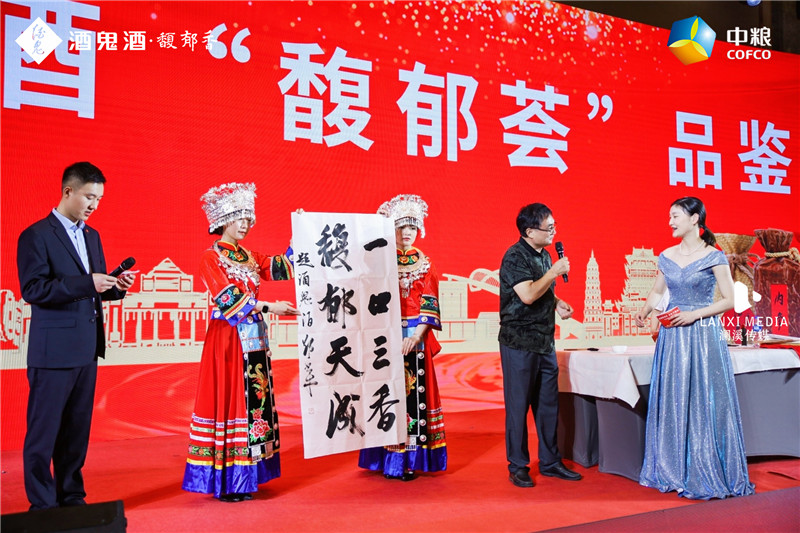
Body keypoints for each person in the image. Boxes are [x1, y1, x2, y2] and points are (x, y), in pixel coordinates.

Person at [17, 162, 135, 510]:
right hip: (53, 353)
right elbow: (34, 289)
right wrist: (88, 283)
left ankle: (71, 496)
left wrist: (115, 287)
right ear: (68, 191)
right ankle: (42, 505)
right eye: (89, 197)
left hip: (86, 349)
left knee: (76, 432)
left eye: (99, 199)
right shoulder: (36, 235)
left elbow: (92, 290)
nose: (94, 205)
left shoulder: (91, 236)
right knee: (43, 434)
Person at [182, 182, 299, 502]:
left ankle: (248, 474)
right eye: (239, 218)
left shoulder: (249, 256)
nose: (246, 224)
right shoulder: (211, 258)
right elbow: (228, 298)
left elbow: (280, 268)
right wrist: (269, 307)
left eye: (249, 218)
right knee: (232, 399)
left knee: (253, 400)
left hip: (253, 336)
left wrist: (299, 238)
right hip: (228, 337)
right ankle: (228, 479)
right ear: (223, 220)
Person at [635, 197, 755, 499]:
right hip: (672, 337)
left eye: (675, 216)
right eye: (670, 216)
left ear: (694, 219)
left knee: (705, 397)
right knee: (673, 397)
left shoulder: (714, 256)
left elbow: (730, 300)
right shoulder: (666, 255)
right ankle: (672, 467)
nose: (670, 222)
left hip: (702, 336)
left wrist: (694, 315)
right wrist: (645, 310)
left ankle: (703, 466)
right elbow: (658, 291)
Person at [358, 194, 447, 480]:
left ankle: (408, 459)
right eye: (401, 227)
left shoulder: (425, 263)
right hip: (384, 339)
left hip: (415, 338)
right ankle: (385, 457)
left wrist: (417, 336)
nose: (407, 232)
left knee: (413, 396)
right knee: (386, 396)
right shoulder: (378, 260)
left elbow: (430, 302)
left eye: (412, 227)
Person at [498, 203, 582, 488]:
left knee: (548, 406)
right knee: (518, 407)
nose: (553, 232)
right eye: (549, 228)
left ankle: (550, 461)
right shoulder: (514, 256)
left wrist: (557, 303)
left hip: (545, 341)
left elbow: (542, 291)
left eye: (554, 227)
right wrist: (554, 272)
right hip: (519, 342)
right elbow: (528, 295)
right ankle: (517, 465)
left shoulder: (545, 255)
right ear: (529, 231)